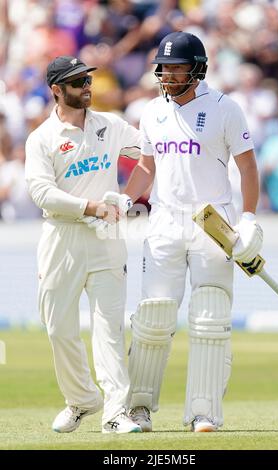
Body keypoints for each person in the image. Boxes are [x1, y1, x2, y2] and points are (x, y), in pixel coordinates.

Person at [102, 32, 263, 433]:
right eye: (164, 67)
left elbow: (247, 167)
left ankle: (204, 413)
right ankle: (137, 408)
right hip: (165, 220)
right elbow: (146, 168)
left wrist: (248, 218)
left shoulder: (226, 109)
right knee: (153, 315)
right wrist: (126, 199)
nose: (168, 74)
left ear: (197, 69)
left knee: (210, 315)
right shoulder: (152, 110)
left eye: (176, 67)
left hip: (213, 221)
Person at [25, 55, 142, 434]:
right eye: (76, 83)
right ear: (57, 90)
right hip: (62, 237)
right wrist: (89, 206)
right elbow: (41, 192)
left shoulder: (111, 125)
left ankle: (115, 411)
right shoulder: (42, 138)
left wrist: (132, 196)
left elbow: (151, 156)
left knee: (109, 328)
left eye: (87, 80)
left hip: (107, 239)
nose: (86, 87)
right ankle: (81, 400)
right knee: (58, 327)